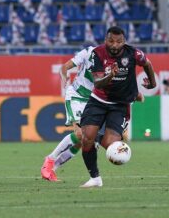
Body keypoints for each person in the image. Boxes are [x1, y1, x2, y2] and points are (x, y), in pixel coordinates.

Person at [40, 46, 144, 182]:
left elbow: (120, 85)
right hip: (77, 96)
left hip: (95, 101)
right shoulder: (89, 52)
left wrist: (135, 94)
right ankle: (50, 160)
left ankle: (53, 168)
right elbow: (65, 67)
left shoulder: (118, 63)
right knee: (79, 134)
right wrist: (64, 79)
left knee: (82, 141)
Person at [80, 26, 156, 188]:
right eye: (111, 41)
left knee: (111, 146)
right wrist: (110, 76)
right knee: (86, 139)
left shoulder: (133, 53)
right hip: (98, 101)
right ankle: (95, 178)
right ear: (105, 40)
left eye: (118, 42)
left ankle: (100, 136)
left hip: (120, 105)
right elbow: (97, 82)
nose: (114, 45)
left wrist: (152, 83)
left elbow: (147, 64)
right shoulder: (97, 53)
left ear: (124, 42)